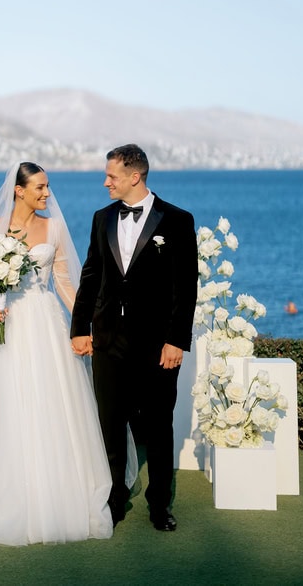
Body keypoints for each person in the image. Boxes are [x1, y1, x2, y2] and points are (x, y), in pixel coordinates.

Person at [0, 162, 116, 545]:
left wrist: (85, 326)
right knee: (7, 404)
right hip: (7, 327)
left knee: (51, 405)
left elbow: (64, 283)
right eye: (41, 187)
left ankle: (56, 492)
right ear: (19, 190)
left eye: (48, 187)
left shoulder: (55, 228)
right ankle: (5, 490)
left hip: (45, 326)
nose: (47, 194)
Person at [71, 144, 198, 532]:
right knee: (109, 424)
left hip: (158, 344)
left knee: (159, 426)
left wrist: (176, 341)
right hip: (109, 340)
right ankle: (113, 501)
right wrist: (79, 328)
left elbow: (185, 288)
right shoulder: (101, 218)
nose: (105, 181)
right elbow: (92, 274)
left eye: (111, 176)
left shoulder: (177, 220)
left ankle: (160, 505)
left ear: (135, 176)